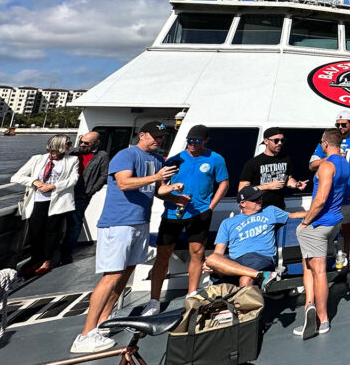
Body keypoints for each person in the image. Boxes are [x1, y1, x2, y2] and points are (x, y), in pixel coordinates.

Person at [71, 122, 186, 353]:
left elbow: (156, 190)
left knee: (127, 271)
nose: (158, 140)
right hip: (119, 222)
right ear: (142, 135)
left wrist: (174, 194)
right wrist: (156, 177)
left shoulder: (157, 161)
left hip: (139, 222)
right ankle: (85, 335)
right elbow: (124, 183)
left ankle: (104, 320)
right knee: (112, 275)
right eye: (154, 136)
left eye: (162, 137)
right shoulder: (126, 155)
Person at [146, 124, 229, 316]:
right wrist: (174, 196)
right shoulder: (175, 160)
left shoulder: (215, 159)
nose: (192, 145)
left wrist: (211, 206)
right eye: (189, 141)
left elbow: (224, 183)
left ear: (206, 141)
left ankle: (191, 294)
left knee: (197, 253)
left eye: (197, 141)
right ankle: (154, 300)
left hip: (200, 213)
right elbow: (159, 189)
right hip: (172, 214)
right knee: (162, 255)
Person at [294, 129, 350, 338]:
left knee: (318, 271)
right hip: (335, 221)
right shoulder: (344, 163)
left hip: (319, 225)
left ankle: (322, 319)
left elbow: (320, 199)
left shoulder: (327, 166)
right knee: (308, 266)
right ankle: (309, 304)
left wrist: (305, 222)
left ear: (325, 144)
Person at [310, 110, 350, 270]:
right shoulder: (326, 142)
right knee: (324, 230)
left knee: (345, 230)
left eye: (344, 124)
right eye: (337, 124)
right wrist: (330, 158)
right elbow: (312, 165)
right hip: (327, 196)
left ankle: (345, 261)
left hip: (348, 196)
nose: (340, 127)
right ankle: (323, 262)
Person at [206, 186, 301, 288]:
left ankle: (253, 283)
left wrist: (317, 212)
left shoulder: (270, 211)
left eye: (260, 198)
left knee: (246, 279)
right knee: (211, 259)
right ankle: (260, 275)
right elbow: (218, 253)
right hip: (235, 261)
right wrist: (212, 266)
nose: (260, 201)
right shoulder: (227, 223)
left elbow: (294, 215)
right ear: (242, 203)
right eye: (255, 199)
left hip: (261, 258)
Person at [12, 134, 79, 276]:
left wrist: (53, 186)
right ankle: (36, 258)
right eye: (68, 143)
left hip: (58, 201)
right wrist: (34, 181)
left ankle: (47, 261)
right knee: (35, 231)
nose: (70, 145)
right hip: (38, 200)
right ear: (58, 145)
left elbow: (73, 179)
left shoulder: (72, 160)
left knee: (52, 232)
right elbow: (17, 176)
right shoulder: (37, 159)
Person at [61, 131, 109, 264]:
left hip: (82, 195)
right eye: (81, 142)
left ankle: (67, 253)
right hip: (65, 193)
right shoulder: (72, 153)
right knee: (58, 221)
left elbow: (104, 175)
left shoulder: (102, 156)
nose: (82, 145)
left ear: (96, 143)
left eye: (86, 143)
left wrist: (92, 190)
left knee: (75, 223)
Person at [240, 127, 304, 210]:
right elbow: (242, 190)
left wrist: (296, 184)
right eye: (276, 140)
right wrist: (268, 186)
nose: (280, 143)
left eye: (282, 140)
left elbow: (288, 179)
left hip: (278, 208)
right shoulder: (253, 163)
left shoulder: (286, 159)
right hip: (258, 209)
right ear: (266, 141)